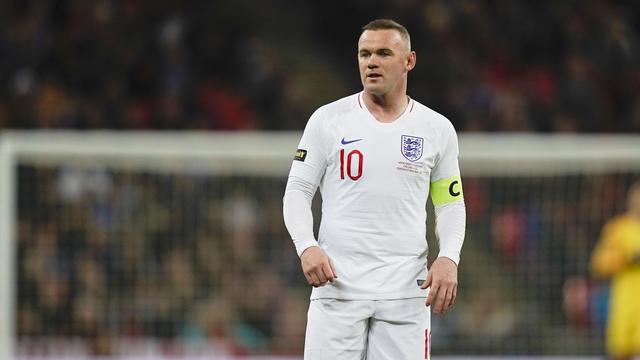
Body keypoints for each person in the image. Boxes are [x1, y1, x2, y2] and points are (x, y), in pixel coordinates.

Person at [282, 19, 466, 359]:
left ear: (409, 61)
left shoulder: (436, 129)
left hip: (406, 294)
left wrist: (448, 258)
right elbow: (297, 190)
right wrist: (307, 247)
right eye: (364, 54)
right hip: (337, 287)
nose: (371, 62)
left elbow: (450, 204)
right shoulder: (328, 120)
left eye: (383, 53)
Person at [590, 181, 640, 360]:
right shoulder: (618, 229)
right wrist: (628, 258)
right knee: (620, 352)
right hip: (625, 303)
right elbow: (599, 264)